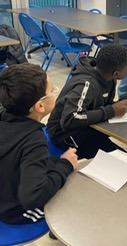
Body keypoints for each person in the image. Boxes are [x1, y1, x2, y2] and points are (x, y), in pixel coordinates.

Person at [0, 63, 78, 224]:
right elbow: (33, 196)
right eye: (52, 90)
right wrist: (66, 166)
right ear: (40, 106)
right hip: (15, 211)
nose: (56, 91)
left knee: (54, 162)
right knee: (73, 196)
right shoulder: (34, 140)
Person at [46, 44, 127, 159]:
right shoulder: (85, 84)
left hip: (88, 126)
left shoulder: (109, 78)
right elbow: (70, 119)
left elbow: (101, 105)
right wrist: (111, 111)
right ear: (116, 73)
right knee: (122, 159)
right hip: (65, 134)